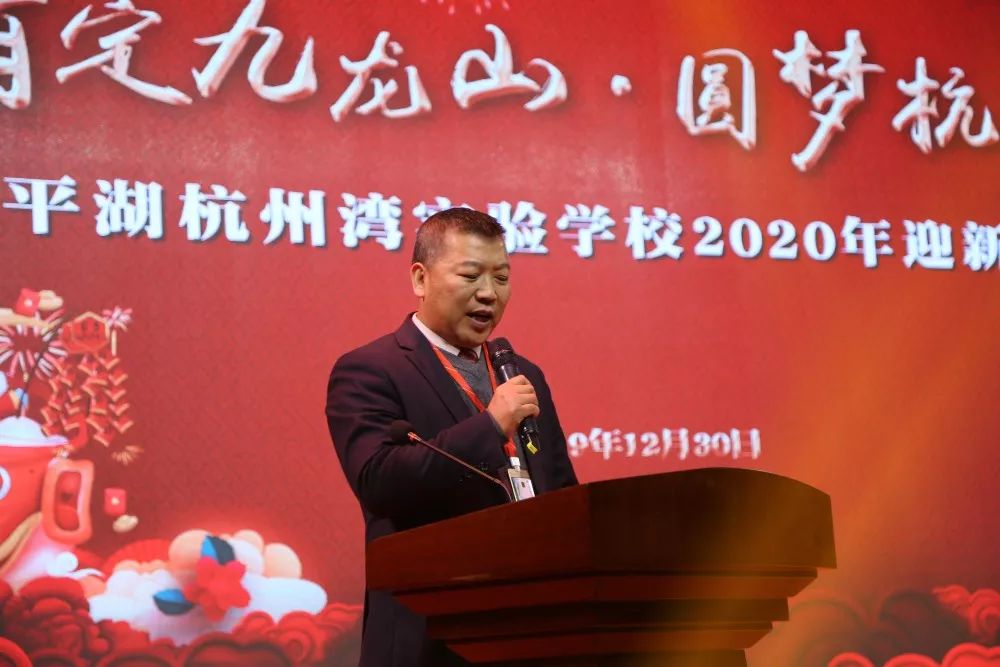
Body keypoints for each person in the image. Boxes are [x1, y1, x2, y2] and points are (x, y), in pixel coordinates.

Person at [325, 207, 578, 667]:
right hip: (429, 639)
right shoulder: (370, 370)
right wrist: (490, 426)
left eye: (501, 278)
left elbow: (560, 491)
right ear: (420, 279)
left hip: (530, 630)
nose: (488, 293)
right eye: (470, 275)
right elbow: (379, 481)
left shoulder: (522, 375)